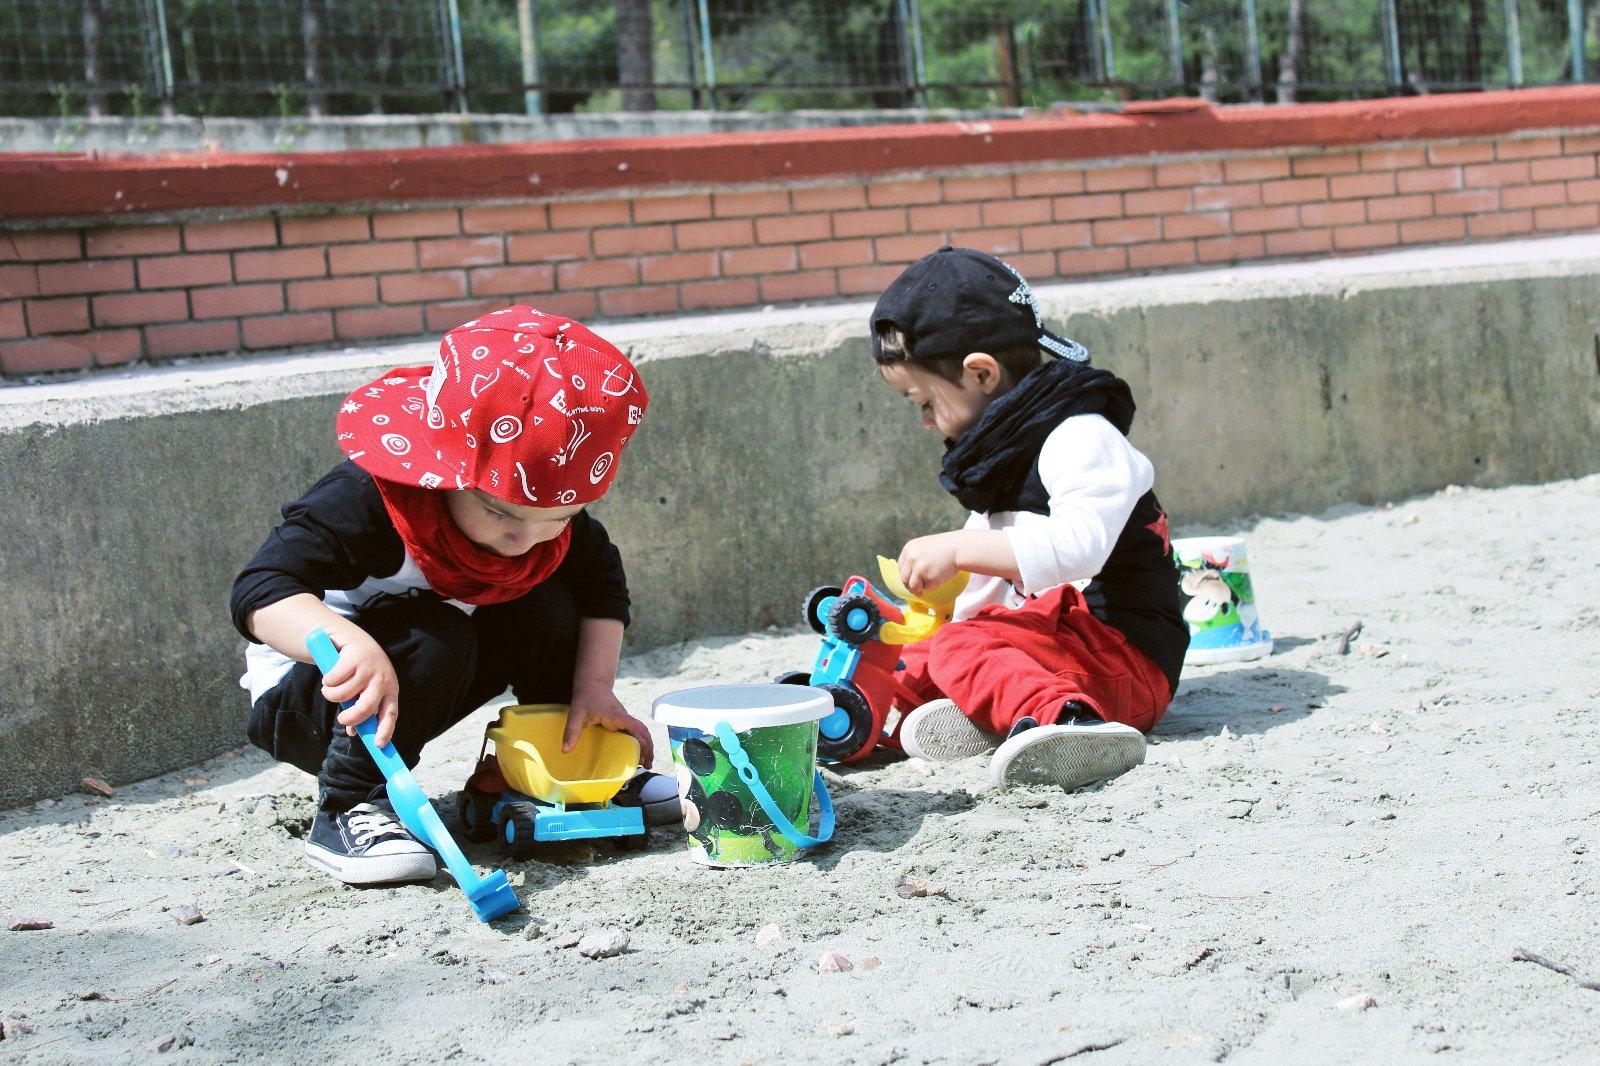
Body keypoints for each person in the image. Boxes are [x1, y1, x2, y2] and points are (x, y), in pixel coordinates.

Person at [230, 305, 671, 885]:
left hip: (429, 677)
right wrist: (344, 642)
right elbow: (260, 590)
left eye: (558, 519)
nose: (524, 538)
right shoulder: (370, 501)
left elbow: (600, 584)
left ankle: (547, 767)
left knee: (545, 605)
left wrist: (594, 687)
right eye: (499, 513)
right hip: (315, 699)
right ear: (446, 470)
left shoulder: (540, 517)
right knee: (435, 634)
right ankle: (349, 805)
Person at [868, 247, 1188, 791]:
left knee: (959, 647)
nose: (924, 421)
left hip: (1128, 661)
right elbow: (981, 599)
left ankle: (1070, 724)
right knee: (928, 651)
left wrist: (956, 551)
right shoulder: (1004, 453)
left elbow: (1079, 547)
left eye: (922, 401)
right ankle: (862, 718)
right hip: (1065, 648)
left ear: (981, 373)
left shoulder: (1082, 437)